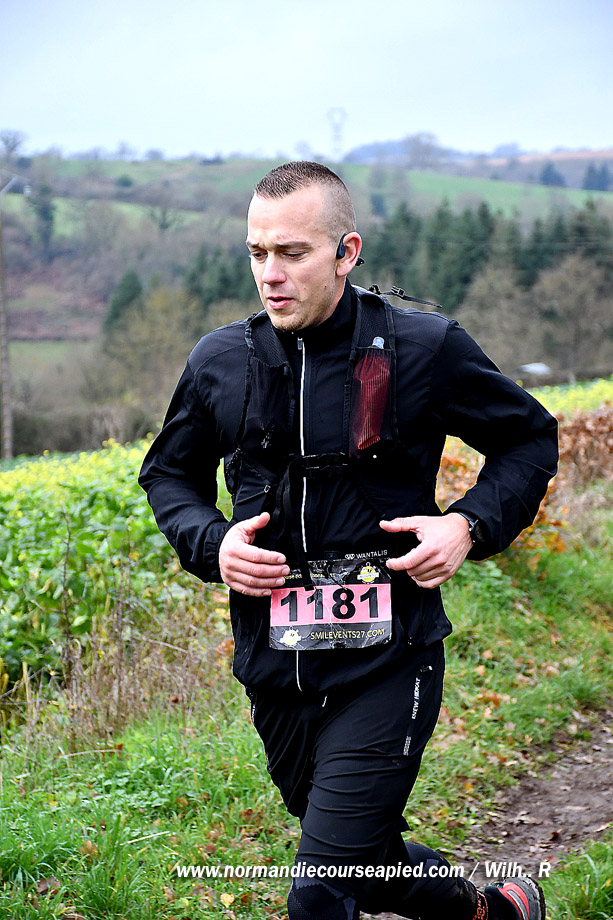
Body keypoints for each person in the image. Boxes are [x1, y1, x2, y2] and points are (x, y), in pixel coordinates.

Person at [139, 161, 558, 920]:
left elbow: (527, 439)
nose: (270, 274)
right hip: (274, 663)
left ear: (346, 252)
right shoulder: (220, 361)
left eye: (292, 253)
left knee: (319, 890)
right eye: (257, 253)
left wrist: (466, 525)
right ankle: (493, 910)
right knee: (360, 860)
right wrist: (212, 543)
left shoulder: (424, 348)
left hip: (388, 659)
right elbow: (168, 475)